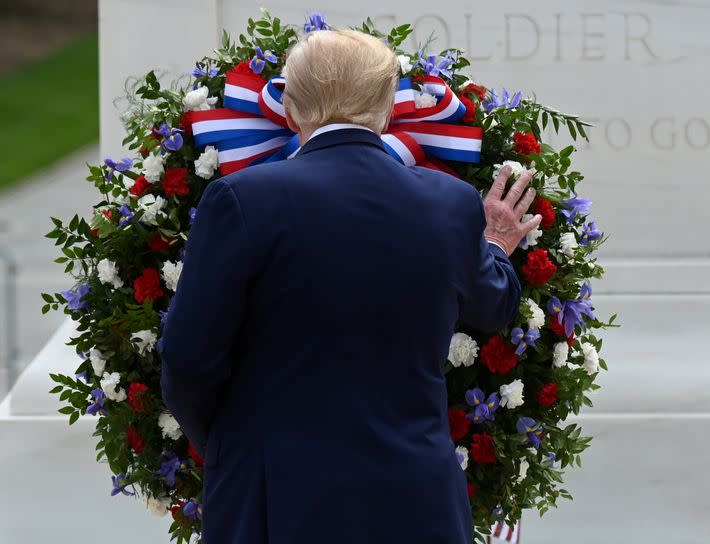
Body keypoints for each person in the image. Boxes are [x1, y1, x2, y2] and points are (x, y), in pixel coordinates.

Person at [158, 28, 541, 544]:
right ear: (386, 110)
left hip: (276, 494)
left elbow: (188, 358)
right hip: (415, 496)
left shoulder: (242, 200)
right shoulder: (449, 203)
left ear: (290, 110)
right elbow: (492, 308)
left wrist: (233, 444)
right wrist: (494, 244)